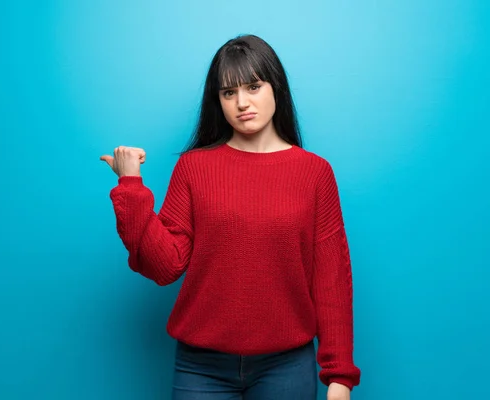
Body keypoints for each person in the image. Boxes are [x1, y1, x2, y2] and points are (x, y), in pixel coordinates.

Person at [100, 34, 361, 400]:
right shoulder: (194, 168)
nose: (242, 103)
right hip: (201, 368)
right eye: (228, 93)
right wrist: (131, 186)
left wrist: (339, 378)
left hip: (287, 365)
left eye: (253, 87)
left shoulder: (315, 173)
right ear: (218, 101)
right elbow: (164, 266)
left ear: (276, 88)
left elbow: (331, 279)